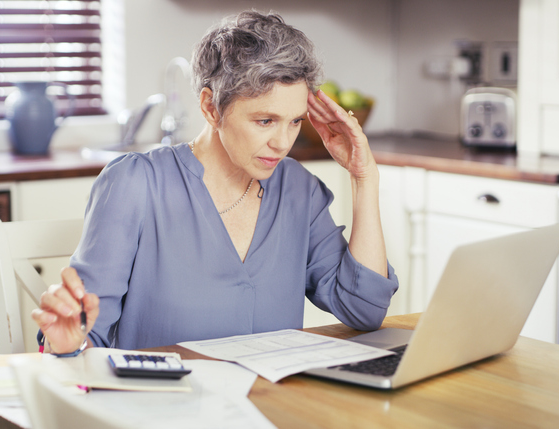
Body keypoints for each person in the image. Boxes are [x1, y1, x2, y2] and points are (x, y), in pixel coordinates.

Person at [32, 10, 399, 356]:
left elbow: (364, 309)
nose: (283, 143)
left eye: (295, 121)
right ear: (210, 107)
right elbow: (83, 335)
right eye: (265, 120)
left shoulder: (298, 190)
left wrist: (364, 177)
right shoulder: (135, 184)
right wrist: (68, 344)